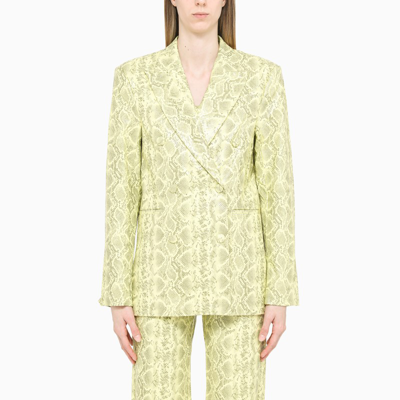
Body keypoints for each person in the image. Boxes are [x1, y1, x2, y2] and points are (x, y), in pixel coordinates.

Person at [98, 0, 299, 398]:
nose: (201, 1)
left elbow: (278, 190)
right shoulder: (135, 78)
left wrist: (280, 292)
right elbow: (121, 189)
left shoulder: (261, 78)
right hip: (159, 271)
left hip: (239, 272)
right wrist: (117, 293)